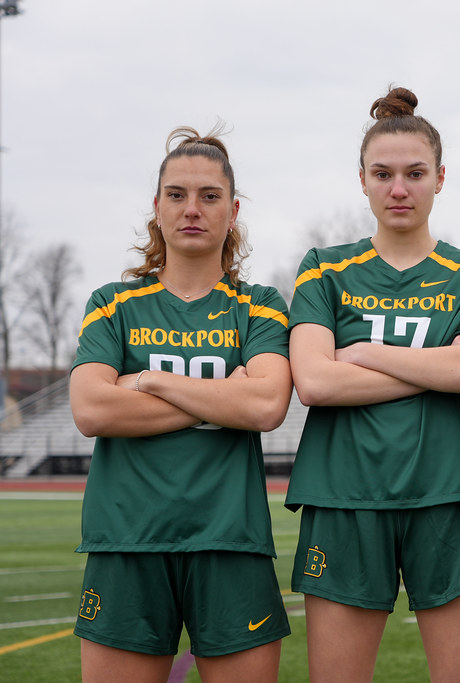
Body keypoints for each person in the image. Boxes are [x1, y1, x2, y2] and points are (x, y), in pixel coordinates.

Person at [286, 86, 460, 682]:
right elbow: (313, 382)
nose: (399, 188)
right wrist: (438, 366)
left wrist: (363, 353)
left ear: (441, 177)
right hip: (343, 495)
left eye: (415, 173)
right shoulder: (323, 268)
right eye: (382, 174)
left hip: (449, 491)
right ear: (361, 180)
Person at [69, 126, 292, 683]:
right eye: (177, 194)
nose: (192, 208)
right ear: (157, 206)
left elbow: (266, 405)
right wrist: (223, 396)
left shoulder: (260, 306)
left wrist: (143, 381)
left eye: (209, 196)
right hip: (127, 541)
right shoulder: (113, 304)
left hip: (230, 539)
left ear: (233, 209)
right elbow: (92, 411)